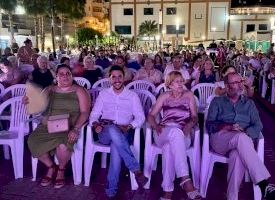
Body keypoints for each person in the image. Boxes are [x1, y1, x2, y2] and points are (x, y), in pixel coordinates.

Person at [206, 72, 275, 200]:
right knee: (240, 138)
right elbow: (209, 125)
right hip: (221, 138)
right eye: (235, 83)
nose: (239, 86)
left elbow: (258, 125)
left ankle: (232, 197)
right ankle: (264, 184)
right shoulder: (217, 101)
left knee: (237, 154)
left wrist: (246, 132)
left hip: (242, 141)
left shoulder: (249, 104)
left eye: (240, 82)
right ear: (227, 87)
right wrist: (227, 126)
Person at [26, 64, 91, 189]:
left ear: (72, 76)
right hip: (49, 125)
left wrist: (76, 128)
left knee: (63, 145)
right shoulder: (49, 89)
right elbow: (36, 107)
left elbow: (85, 112)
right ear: (56, 77)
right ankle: (51, 166)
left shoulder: (79, 90)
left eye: (68, 73)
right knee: (32, 141)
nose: (65, 76)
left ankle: (61, 170)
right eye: (61, 74)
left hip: (70, 126)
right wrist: (29, 101)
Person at [90, 65, 148, 198]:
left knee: (116, 146)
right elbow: (94, 115)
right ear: (109, 79)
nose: (117, 80)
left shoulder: (132, 95)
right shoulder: (104, 94)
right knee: (111, 127)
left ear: (124, 78)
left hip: (124, 132)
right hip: (104, 131)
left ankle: (111, 189)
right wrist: (95, 124)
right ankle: (135, 169)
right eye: (113, 77)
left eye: (119, 76)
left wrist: (129, 126)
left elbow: (140, 117)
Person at [147, 71, 200, 200]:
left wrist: (188, 125)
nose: (181, 83)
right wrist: (156, 126)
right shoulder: (164, 96)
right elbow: (151, 115)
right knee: (173, 134)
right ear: (169, 84)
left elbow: (194, 117)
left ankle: (167, 189)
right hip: (163, 132)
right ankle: (185, 179)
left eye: (182, 81)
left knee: (168, 148)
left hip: (183, 134)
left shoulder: (189, 95)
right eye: (177, 81)